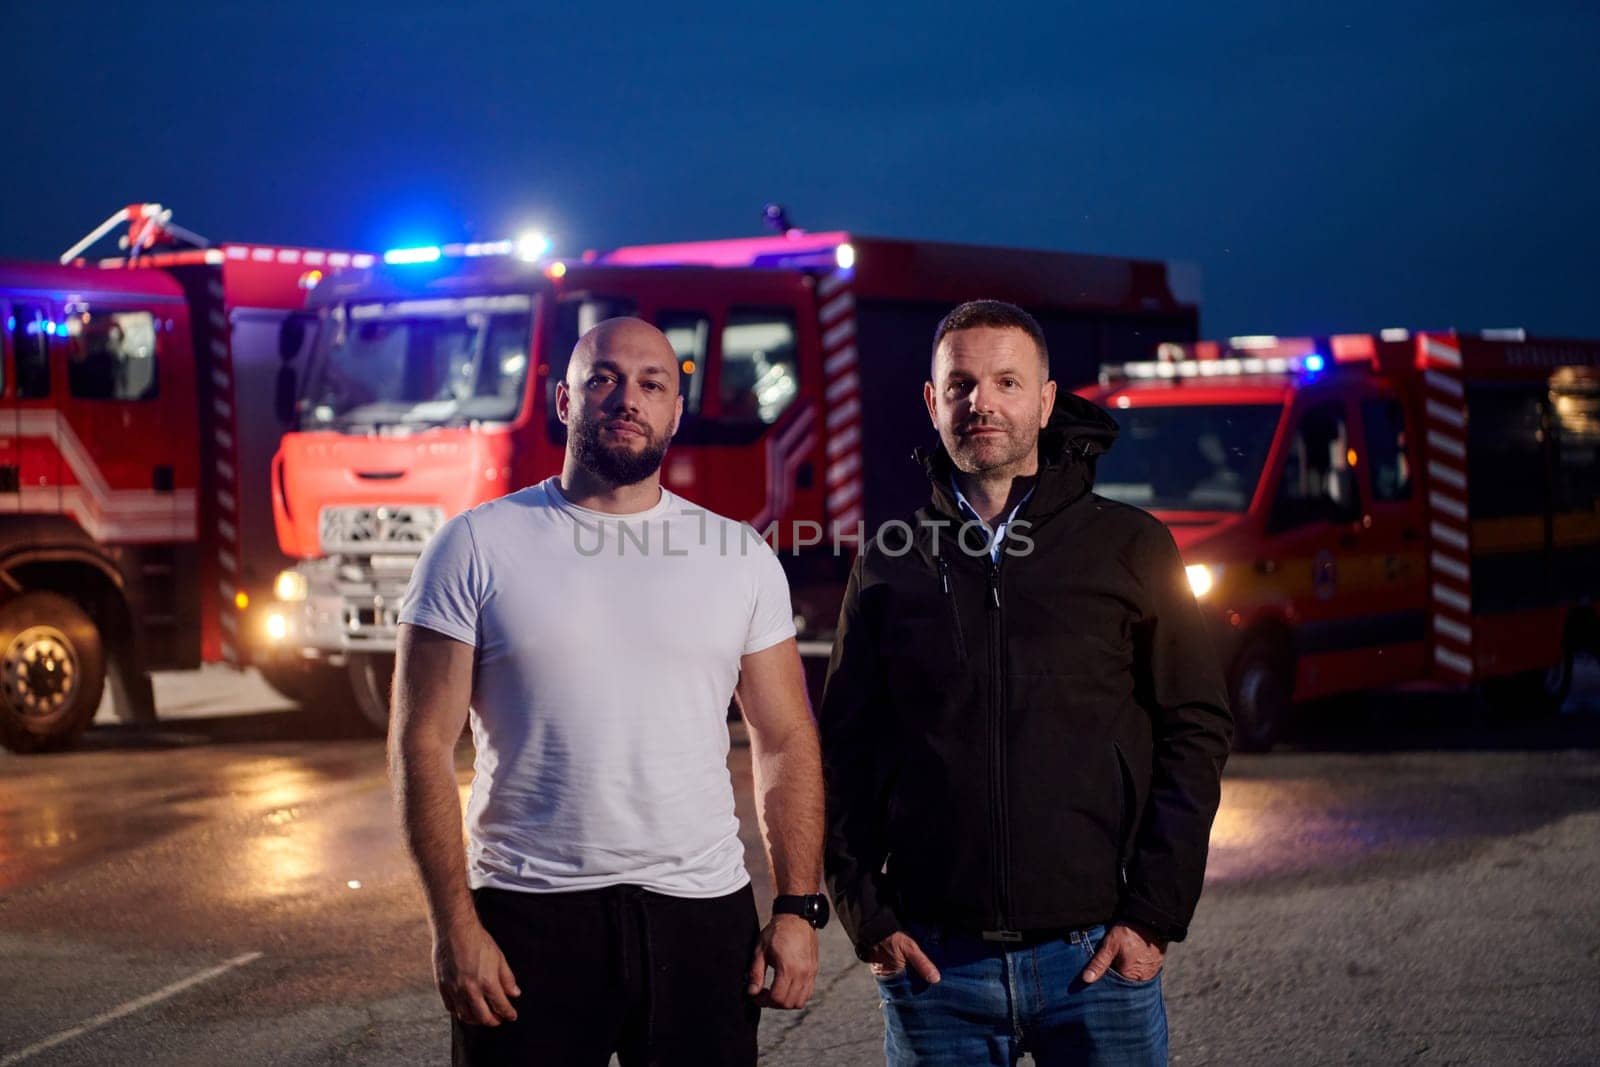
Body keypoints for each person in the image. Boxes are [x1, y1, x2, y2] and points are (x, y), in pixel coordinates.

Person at [391, 317, 827, 1066]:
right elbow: (420, 743)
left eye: (652, 383)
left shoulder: (739, 555)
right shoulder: (473, 545)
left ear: (675, 411)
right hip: (527, 920)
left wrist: (795, 907)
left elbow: (785, 737)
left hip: (700, 919)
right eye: (604, 379)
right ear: (565, 399)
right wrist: (454, 928)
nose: (628, 398)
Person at [820, 300, 1232, 1065]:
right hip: (937, 970)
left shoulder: (1131, 546)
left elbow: (1197, 726)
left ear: (1045, 401)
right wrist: (865, 913)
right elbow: (843, 747)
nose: (982, 402)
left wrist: (1153, 914)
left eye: (1008, 382)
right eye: (962, 384)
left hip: (1094, 960)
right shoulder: (889, 559)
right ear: (931, 400)